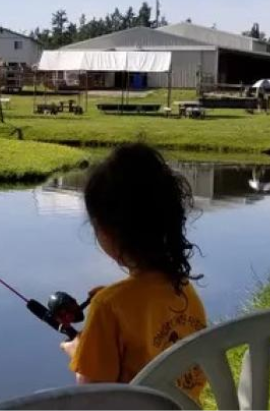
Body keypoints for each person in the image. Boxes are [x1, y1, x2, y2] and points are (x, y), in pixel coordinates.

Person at [60, 143, 207, 403]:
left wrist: (78, 353)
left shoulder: (108, 306)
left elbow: (92, 396)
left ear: (105, 231)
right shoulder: (183, 286)